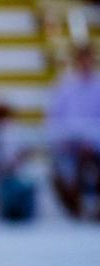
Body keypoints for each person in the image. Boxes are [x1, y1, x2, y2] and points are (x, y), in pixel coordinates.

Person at [47, 45, 100, 219]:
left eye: (88, 59)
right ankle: (77, 208)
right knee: (61, 170)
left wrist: (91, 142)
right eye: (82, 59)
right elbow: (55, 119)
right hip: (69, 145)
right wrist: (69, 141)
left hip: (95, 144)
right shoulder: (65, 87)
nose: (85, 63)